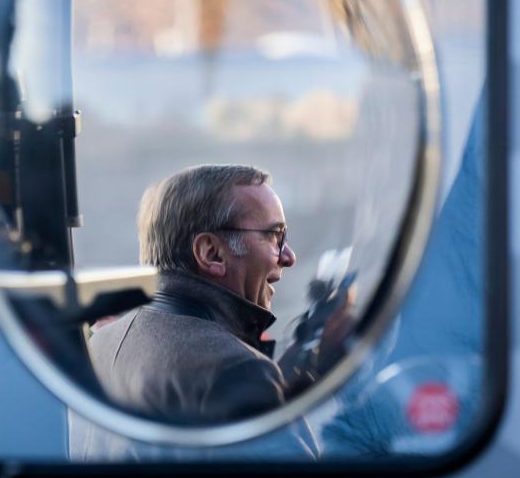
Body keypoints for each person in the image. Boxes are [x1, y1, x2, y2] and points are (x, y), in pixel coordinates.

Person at [87, 164, 349, 426]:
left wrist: (286, 380)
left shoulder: (101, 344)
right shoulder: (238, 372)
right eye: (275, 236)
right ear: (211, 253)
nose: (289, 257)